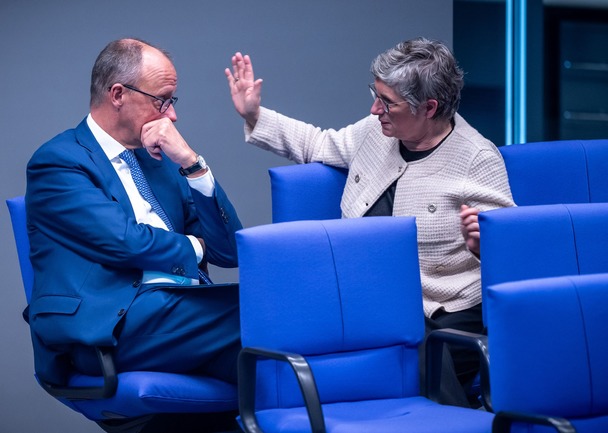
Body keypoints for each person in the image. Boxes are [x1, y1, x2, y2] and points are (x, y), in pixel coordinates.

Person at [225, 37, 515, 407]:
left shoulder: (477, 159)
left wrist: (483, 246)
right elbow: (318, 144)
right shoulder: (376, 132)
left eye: (388, 102)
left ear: (428, 107)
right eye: (375, 94)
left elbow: (511, 252)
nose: (375, 108)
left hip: (441, 309)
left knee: (411, 353)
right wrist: (254, 115)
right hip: (366, 295)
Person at [25, 38, 243, 391]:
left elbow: (229, 251)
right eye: (162, 101)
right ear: (118, 94)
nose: (171, 115)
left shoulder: (160, 159)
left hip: (180, 313)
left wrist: (193, 165)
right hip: (113, 326)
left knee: (267, 365)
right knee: (263, 312)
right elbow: (124, 242)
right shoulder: (59, 162)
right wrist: (197, 247)